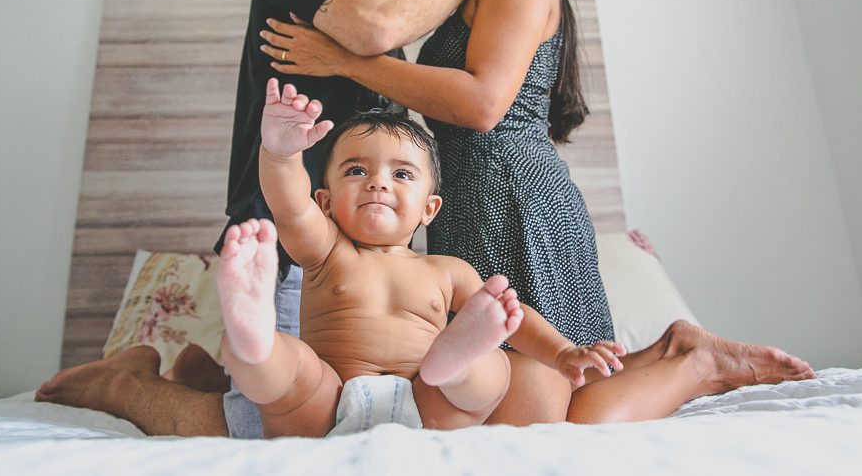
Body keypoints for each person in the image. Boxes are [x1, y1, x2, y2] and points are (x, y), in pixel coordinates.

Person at [258, 0, 817, 425]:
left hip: (512, 195)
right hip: (471, 197)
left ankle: (692, 365)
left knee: (548, 404)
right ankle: (673, 350)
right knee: (513, 391)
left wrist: (342, 61)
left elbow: (482, 104)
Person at [211, 0, 512, 437]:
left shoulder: (375, 36)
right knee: (267, 417)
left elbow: (382, 37)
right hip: (293, 246)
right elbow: (374, 24)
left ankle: (180, 366)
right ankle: (137, 379)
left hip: (357, 262)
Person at [217, 79, 626, 437]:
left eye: (402, 174)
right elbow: (289, 208)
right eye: (356, 171)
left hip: (427, 401)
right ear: (324, 202)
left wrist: (560, 352)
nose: (378, 182)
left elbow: (516, 318)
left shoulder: (446, 271)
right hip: (329, 402)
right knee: (293, 370)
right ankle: (254, 341)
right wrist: (280, 155)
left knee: (494, 367)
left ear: (429, 209)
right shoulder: (326, 250)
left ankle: (458, 364)